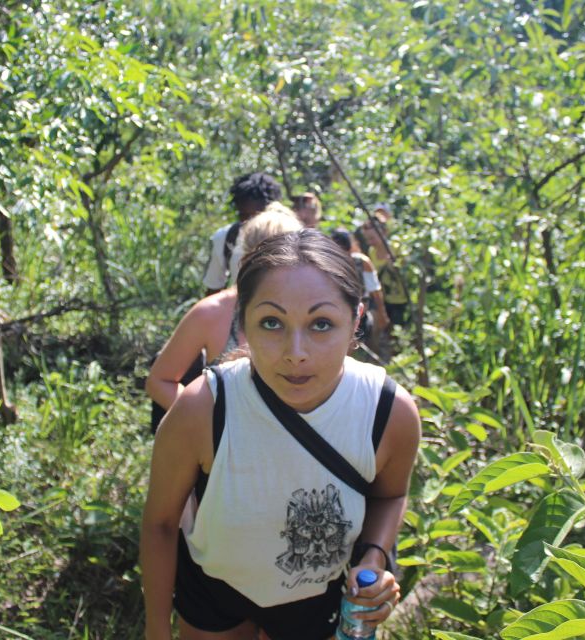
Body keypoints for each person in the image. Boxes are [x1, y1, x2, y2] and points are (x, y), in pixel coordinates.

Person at [141, 229, 421, 640]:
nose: (296, 352)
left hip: (319, 594)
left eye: (321, 324)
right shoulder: (203, 408)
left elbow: (391, 495)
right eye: (271, 322)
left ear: (355, 320)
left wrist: (375, 555)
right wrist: (155, 630)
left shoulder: (387, 411)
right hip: (213, 586)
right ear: (242, 324)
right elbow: (160, 524)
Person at [146, 205, 303, 417]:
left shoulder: (312, 311)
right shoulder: (213, 311)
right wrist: (212, 422)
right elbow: (159, 381)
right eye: (267, 266)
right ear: (245, 260)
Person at [203, 172, 282, 295]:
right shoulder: (226, 237)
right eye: (244, 216)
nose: (250, 223)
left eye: (256, 216)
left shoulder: (288, 238)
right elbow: (213, 290)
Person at [329, 227, 390, 349]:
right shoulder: (329, 265)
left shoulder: (362, 262)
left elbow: (375, 291)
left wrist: (382, 314)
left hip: (362, 314)